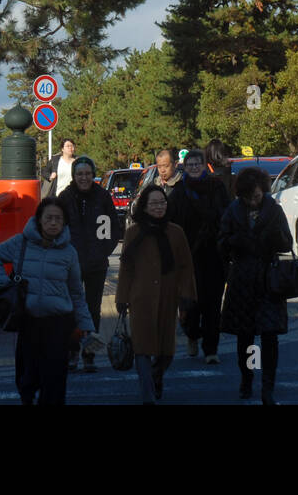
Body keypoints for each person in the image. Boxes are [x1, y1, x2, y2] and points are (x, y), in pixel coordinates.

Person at [0, 198, 95, 405]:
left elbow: (76, 293)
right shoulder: (21, 243)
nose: (53, 223)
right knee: (26, 379)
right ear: (39, 220)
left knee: (54, 382)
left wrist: (86, 325)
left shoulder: (69, 252)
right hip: (28, 322)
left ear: (64, 223)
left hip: (58, 324)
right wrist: (5, 284)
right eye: (49, 218)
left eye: (58, 219)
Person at [115, 184, 196, 403]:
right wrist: (122, 298)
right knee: (141, 348)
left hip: (168, 297)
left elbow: (186, 266)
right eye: (154, 203)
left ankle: (157, 376)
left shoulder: (176, 232)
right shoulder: (133, 233)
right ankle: (147, 395)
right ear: (144, 206)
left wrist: (187, 296)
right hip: (140, 298)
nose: (159, 207)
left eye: (162, 202)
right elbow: (126, 269)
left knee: (165, 352)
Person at [219, 166, 292, 404]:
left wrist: (274, 238)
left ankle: (267, 386)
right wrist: (234, 241)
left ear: (264, 191)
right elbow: (220, 243)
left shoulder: (274, 210)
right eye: (248, 196)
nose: (253, 200)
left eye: (257, 195)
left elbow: (287, 242)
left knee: (270, 337)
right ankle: (247, 378)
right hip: (242, 279)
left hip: (268, 279)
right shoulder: (233, 210)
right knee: (245, 336)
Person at [57, 156, 121, 372]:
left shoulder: (102, 196)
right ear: (74, 176)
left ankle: (89, 353)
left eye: (87, 174)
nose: (84, 178)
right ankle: (72, 351)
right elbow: (55, 226)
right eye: (79, 174)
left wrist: (103, 252)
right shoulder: (65, 198)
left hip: (96, 263)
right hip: (71, 264)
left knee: (93, 310)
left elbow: (114, 227)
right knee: (71, 309)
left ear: (93, 175)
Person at [168, 148, 230, 362]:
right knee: (190, 304)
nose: (194, 168)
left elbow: (227, 215)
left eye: (197, 164)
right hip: (187, 256)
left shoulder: (217, 187)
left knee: (212, 305)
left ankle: (211, 350)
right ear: (184, 167)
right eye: (190, 165)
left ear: (204, 166)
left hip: (214, 254)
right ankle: (192, 334)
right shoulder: (178, 192)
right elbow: (171, 222)